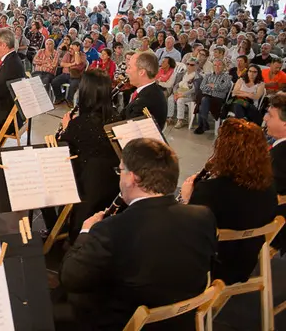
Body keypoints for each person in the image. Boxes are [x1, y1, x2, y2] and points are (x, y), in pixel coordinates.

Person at [60, 138, 217, 330]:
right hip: (180, 322)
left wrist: (85, 231)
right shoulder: (203, 216)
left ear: (132, 178)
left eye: (121, 170)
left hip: (127, 322)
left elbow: (70, 277)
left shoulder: (112, 229)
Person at [180, 118, 277, 285]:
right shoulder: (268, 187)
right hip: (245, 262)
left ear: (225, 152)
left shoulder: (210, 191)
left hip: (212, 268)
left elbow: (190, 234)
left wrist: (187, 198)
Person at [57, 70, 121, 241]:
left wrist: (65, 129)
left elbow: (61, 150)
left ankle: (55, 225)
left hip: (87, 186)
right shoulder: (116, 117)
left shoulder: (79, 124)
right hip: (112, 185)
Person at [0, 28, 26, 133]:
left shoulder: (11, 65)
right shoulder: (12, 59)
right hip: (7, 112)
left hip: (5, 118)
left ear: (4, 45)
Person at [122, 51, 168, 130]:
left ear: (141, 72)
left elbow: (128, 128)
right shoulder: (149, 91)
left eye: (129, 67)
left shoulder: (147, 99)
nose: (126, 71)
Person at [264, 92, 286, 250]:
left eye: (270, 115)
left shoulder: (280, 156)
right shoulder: (279, 149)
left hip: (267, 224)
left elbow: (266, 193)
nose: (265, 118)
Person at [195, 59, 233, 135]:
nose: (217, 67)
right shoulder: (208, 75)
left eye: (219, 65)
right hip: (206, 97)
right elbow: (202, 87)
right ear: (213, 66)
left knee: (202, 101)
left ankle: (202, 125)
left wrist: (211, 85)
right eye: (215, 65)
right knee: (204, 100)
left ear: (223, 67)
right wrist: (214, 87)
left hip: (218, 99)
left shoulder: (227, 77)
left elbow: (224, 88)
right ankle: (203, 124)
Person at [51, 41, 86, 108]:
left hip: (76, 76)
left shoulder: (82, 55)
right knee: (54, 82)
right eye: (70, 48)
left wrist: (76, 52)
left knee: (73, 85)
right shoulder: (67, 54)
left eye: (72, 48)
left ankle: (69, 100)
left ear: (78, 49)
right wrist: (72, 64)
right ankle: (60, 97)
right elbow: (62, 64)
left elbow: (78, 62)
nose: (70, 50)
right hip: (65, 74)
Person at [169, 58, 198, 128]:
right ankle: (169, 118)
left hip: (190, 95)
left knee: (180, 100)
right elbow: (176, 85)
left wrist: (182, 95)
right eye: (187, 64)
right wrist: (175, 93)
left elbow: (194, 89)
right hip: (180, 92)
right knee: (170, 98)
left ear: (196, 66)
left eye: (191, 65)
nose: (189, 66)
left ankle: (180, 120)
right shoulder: (184, 74)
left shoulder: (197, 76)